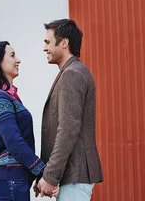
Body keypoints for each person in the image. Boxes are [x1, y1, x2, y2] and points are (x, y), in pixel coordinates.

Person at [0, 41, 59, 200]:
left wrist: (37, 175)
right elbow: (14, 142)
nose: (18, 60)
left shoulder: (8, 98)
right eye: (12, 55)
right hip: (10, 179)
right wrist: (44, 173)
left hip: (13, 179)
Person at [36, 19, 103, 200]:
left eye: (48, 42)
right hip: (73, 176)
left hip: (75, 175)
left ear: (64, 43)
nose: (44, 48)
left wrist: (50, 176)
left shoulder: (71, 74)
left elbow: (68, 129)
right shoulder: (72, 71)